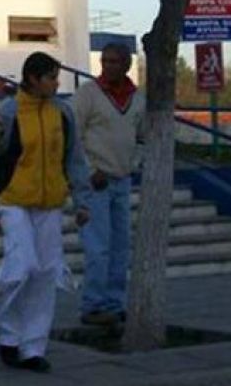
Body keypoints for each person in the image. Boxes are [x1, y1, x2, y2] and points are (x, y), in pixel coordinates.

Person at [0, 52, 91, 373]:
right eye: (51, 77)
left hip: (50, 203)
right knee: (22, 265)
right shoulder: (7, 114)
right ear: (32, 79)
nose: (57, 83)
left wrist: (82, 202)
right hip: (13, 201)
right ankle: (8, 333)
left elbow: (74, 161)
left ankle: (31, 348)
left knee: (44, 273)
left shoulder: (63, 114)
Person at [73, 42, 146, 326]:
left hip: (122, 178)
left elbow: (142, 136)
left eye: (114, 61)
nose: (107, 66)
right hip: (96, 181)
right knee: (98, 246)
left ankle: (115, 303)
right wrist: (90, 170)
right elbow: (73, 137)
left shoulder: (137, 99)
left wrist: (134, 164)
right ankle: (92, 304)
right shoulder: (88, 94)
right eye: (104, 61)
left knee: (120, 245)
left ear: (126, 65)